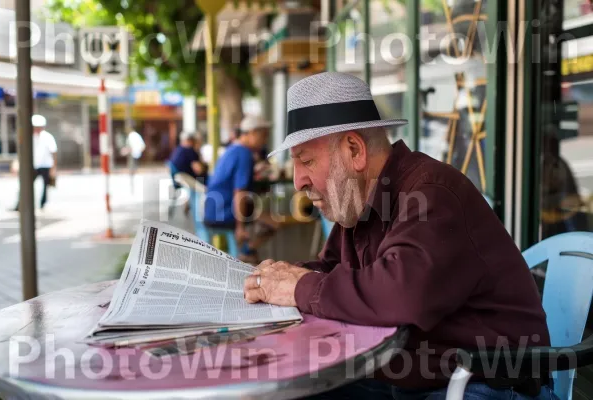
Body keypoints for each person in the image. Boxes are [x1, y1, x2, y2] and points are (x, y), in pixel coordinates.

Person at [242, 72, 556, 399]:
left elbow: (401, 293)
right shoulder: (360, 203)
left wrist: (298, 286)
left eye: (306, 161)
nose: (298, 181)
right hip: (416, 378)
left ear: (354, 150)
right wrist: (278, 278)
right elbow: (330, 273)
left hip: (487, 384)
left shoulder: (432, 194)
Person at [204, 115, 280, 264]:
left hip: (213, 209)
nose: (265, 140)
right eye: (264, 135)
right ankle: (246, 251)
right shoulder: (244, 154)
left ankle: (247, 250)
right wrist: (240, 227)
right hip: (225, 212)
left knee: (261, 215)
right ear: (252, 133)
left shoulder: (232, 149)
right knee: (273, 222)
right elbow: (240, 193)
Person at [13, 114, 58, 211]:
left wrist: (53, 168)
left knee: (45, 186)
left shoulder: (47, 137)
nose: (36, 129)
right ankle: (20, 204)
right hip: (33, 165)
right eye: (35, 127)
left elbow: (54, 152)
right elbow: (22, 151)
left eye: (38, 127)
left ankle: (43, 203)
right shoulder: (28, 137)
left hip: (46, 165)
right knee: (25, 185)